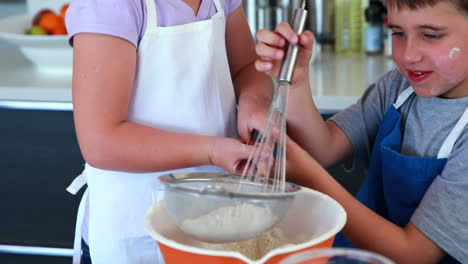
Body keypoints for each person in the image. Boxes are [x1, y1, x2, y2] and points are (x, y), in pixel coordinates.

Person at [255, 0, 468, 263]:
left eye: (431, 35)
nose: (409, 55)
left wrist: (312, 177)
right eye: (398, 33)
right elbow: (324, 149)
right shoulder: (398, 87)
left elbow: (414, 254)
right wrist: (297, 80)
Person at [64, 0, 274, 263]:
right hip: (137, 231)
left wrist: (253, 101)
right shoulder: (111, 5)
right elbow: (100, 142)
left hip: (218, 218)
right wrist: (211, 151)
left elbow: (245, 67)